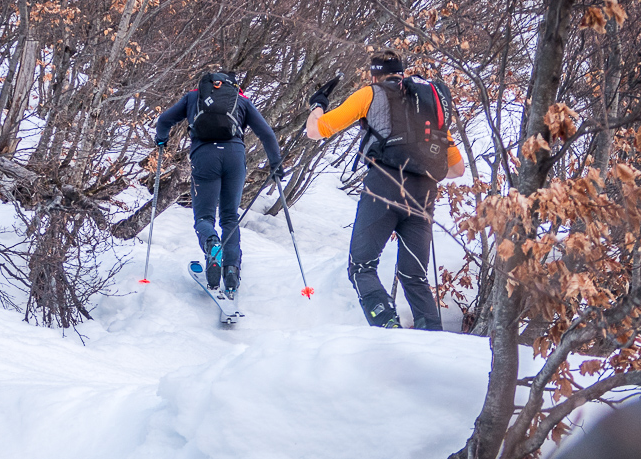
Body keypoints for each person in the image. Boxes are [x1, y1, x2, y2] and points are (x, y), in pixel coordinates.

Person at [305, 51, 466, 329]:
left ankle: (386, 325)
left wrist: (317, 106)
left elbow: (317, 131)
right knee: (414, 275)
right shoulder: (427, 104)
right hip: (424, 193)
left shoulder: (370, 93)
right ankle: (434, 338)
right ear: (401, 72)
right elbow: (457, 169)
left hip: (384, 185)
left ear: (374, 74)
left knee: (361, 267)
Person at [156, 71, 284, 293]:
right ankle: (232, 269)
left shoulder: (192, 97)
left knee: (204, 217)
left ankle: (212, 245)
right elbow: (266, 134)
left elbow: (164, 120)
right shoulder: (241, 100)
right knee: (229, 218)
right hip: (234, 156)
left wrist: (161, 139)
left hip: (204, 156)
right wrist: (275, 164)